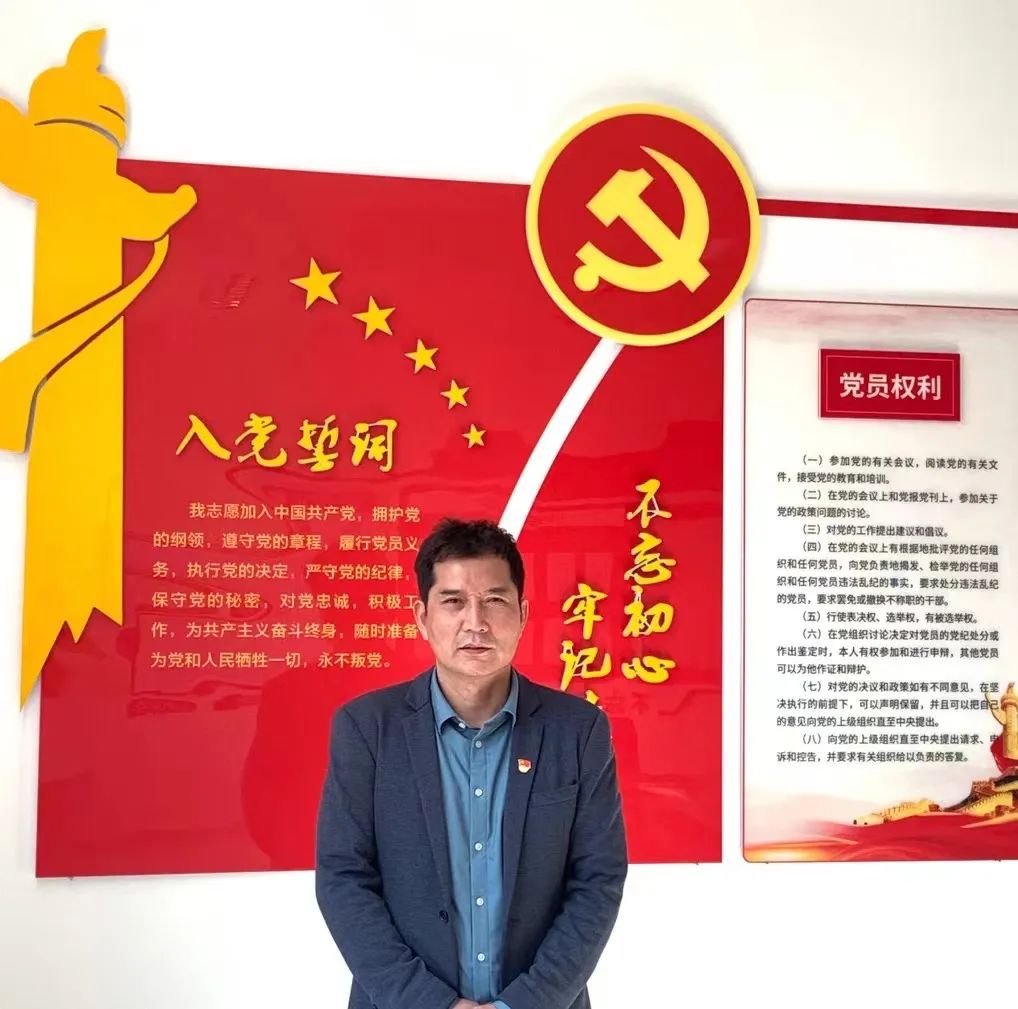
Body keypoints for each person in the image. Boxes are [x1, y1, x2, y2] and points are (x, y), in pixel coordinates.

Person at [315, 517, 628, 1009]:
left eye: (495, 601)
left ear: (523, 613)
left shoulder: (578, 730)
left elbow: (597, 881)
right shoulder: (367, 728)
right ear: (422, 617)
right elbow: (343, 879)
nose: (475, 622)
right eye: (454, 601)